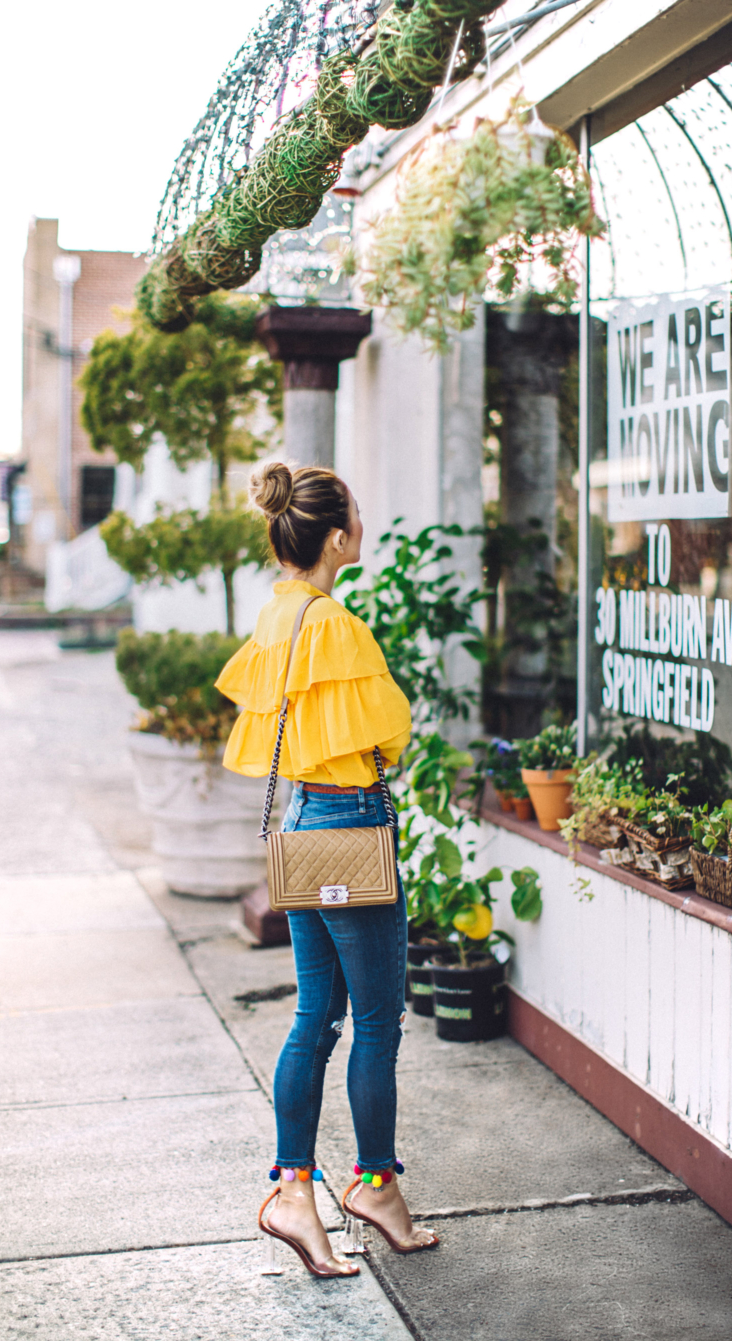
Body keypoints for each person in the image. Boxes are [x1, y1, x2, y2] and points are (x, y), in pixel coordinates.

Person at [216, 461, 438, 1279]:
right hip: (349, 819)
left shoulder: (278, 617)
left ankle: (293, 1192)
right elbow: (386, 734)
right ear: (337, 536)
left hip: (304, 819)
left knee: (317, 1015)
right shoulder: (334, 623)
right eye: (357, 513)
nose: (362, 525)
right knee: (378, 1019)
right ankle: (375, 1186)